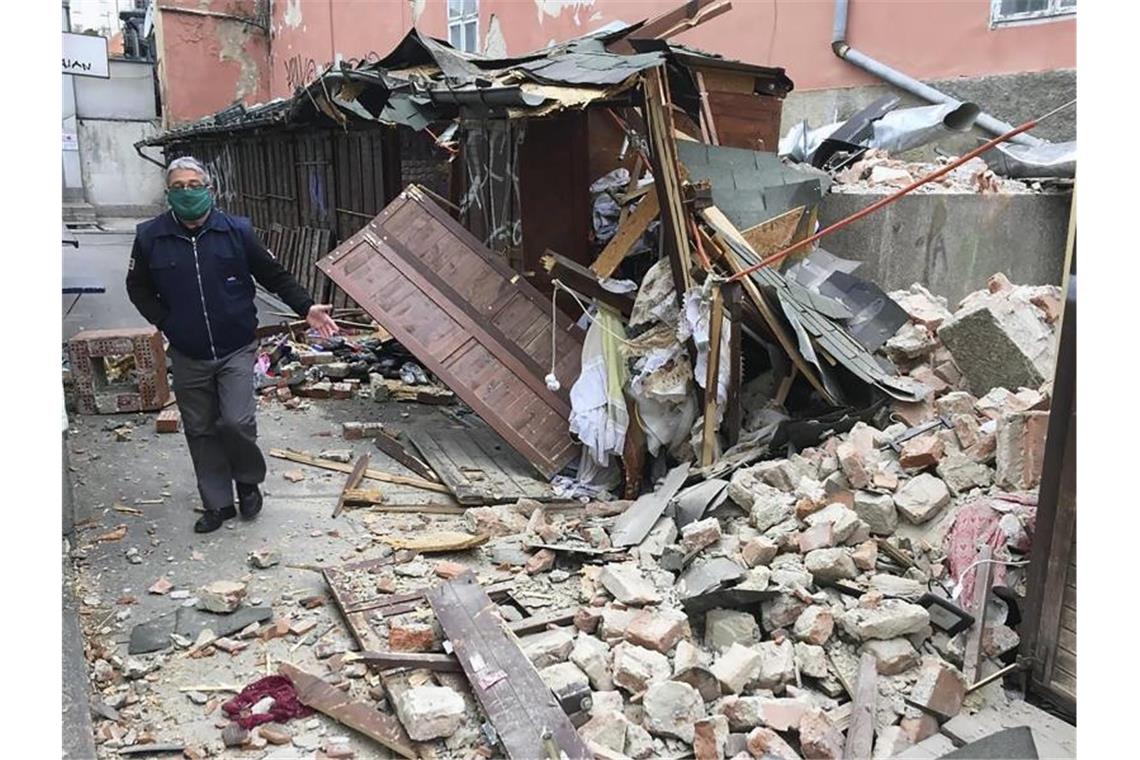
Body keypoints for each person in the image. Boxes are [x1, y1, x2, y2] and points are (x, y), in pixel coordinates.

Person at [126, 156, 339, 533]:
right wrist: (166, 321)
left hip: (235, 347)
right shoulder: (149, 237)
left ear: (209, 190)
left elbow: (274, 275)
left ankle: (247, 480)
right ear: (168, 193)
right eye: (178, 186)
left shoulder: (236, 231)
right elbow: (137, 287)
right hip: (188, 351)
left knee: (237, 421)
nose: (187, 192)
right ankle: (217, 503)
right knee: (200, 428)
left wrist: (306, 307)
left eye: (194, 185)